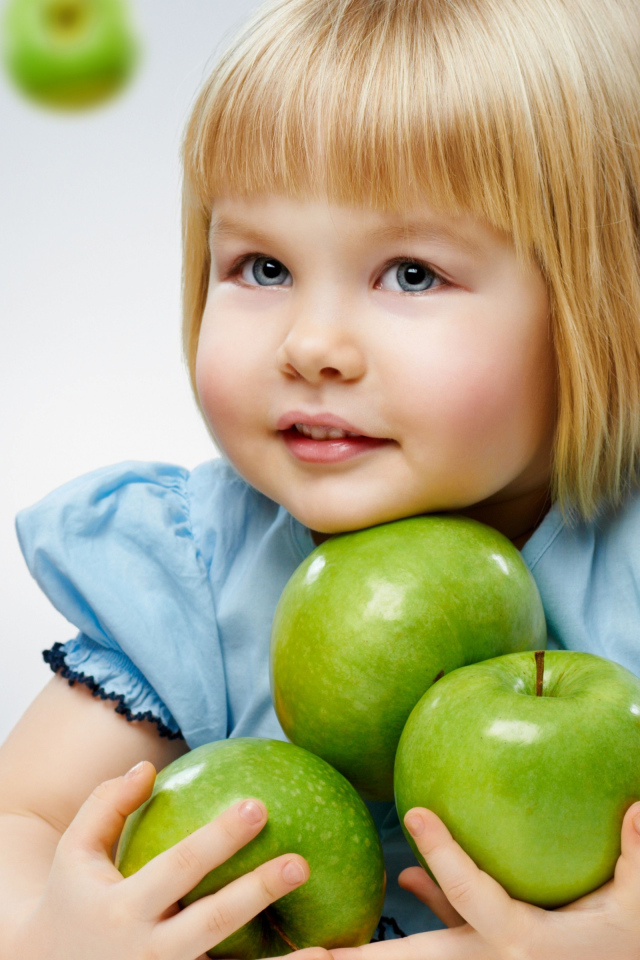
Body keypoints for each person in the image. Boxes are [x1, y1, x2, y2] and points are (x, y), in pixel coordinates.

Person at [3, 0, 640, 957]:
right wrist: (44, 931)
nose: (310, 345)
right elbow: (22, 820)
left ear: (606, 304)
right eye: (263, 267)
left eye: (412, 274)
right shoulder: (194, 568)